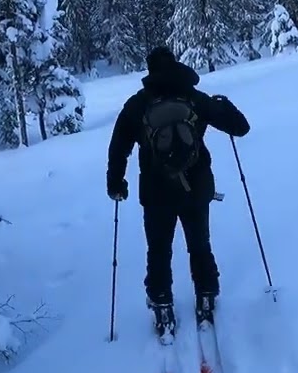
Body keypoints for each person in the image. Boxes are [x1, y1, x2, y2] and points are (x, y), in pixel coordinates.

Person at [106, 46, 250, 336]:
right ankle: (206, 295)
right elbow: (240, 128)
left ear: (149, 71)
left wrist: (116, 183)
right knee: (199, 244)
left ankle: (161, 304)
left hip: (155, 193)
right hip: (196, 188)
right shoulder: (195, 98)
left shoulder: (138, 104)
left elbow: (118, 146)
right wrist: (225, 105)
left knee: (158, 249)